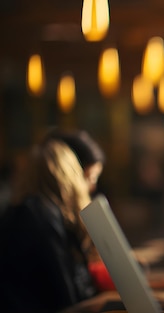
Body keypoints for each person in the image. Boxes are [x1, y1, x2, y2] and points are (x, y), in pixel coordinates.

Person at [0, 129, 111, 311]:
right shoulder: (43, 216)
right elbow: (69, 298)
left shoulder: (27, 209)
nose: (90, 187)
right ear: (69, 176)